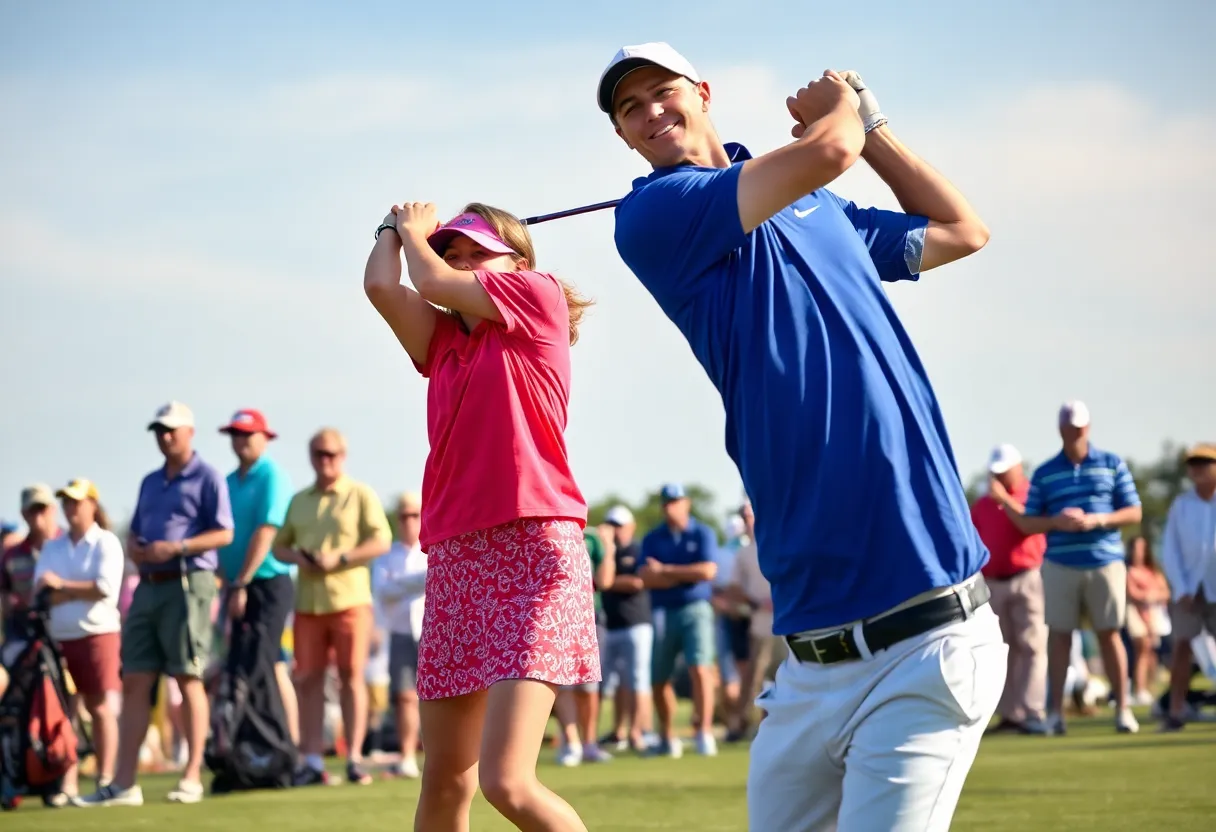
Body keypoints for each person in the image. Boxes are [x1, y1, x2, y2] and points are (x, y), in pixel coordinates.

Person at [598, 42, 1001, 830]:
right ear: (622, 137)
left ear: (702, 93)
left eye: (662, 92)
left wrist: (872, 123)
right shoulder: (655, 213)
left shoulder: (820, 205)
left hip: (928, 640)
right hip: (810, 667)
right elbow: (830, 148)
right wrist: (841, 112)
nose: (650, 113)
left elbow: (963, 229)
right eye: (628, 109)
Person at [364, 200, 598, 832]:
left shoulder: (537, 296)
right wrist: (394, 227)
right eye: (453, 252)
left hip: (535, 550)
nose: (461, 265)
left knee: (507, 782)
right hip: (459, 559)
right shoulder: (443, 341)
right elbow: (382, 283)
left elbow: (430, 281)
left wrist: (418, 237)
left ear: (516, 264)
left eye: (477, 253)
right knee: (445, 785)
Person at [79, 401, 234, 807]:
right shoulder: (150, 481)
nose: (164, 437)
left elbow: (224, 533)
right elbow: (140, 531)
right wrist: (136, 546)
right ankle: (123, 783)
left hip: (187, 581)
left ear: (189, 432)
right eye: (159, 431)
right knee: (134, 679)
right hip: (147, 585)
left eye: (171, 430)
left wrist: (177, 547)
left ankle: (191, 776)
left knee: (187, 676)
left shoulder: (208, 477)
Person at [990, 401, 1143, 735]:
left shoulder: (1112, 463)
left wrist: (1098, 520)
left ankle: (1124, 710)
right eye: (1070, 428)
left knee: (1110, 634)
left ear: (1088, 427)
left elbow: (1133, 512)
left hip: (1104, 560)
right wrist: (1056, 522)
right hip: (1060, 563)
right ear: (1061, 429)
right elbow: (1030, 523)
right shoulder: (1046, 472)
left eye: (1080, 427)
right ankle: (1056, 714)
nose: (1076, 433)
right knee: (1058, 638)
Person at [271, 427, 392, 786]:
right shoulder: (300, 500)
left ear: (343, 456)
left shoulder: (359, 494)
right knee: (308, 680)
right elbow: (279, 547)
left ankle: (353, 757)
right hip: (308, 603)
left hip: (350, 601)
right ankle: (310, 758)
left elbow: (382, 539)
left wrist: (340, 557)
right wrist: (301, 558)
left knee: (351, 678)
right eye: (319, 454)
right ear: (311, 457)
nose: (326, 461)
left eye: (332, 454)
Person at [32, 479, 125, 805]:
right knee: (65, 711)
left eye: (77, 502)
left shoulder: (106, 542)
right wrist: (72, 589)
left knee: (99, 706)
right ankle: (67, 782)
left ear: (92, 505)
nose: (71, 508)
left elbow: (104, 589)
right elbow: (42, 591)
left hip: (98, 634)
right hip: (60, 638)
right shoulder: (53, 546)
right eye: (67, 503)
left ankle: (106, 777)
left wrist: (61, 587)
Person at [216, 408, 299, 746]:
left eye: (248, 434)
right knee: (268, 665)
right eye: (236, 434)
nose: (241, 440)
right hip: (238, 587)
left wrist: (241, 582)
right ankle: (265, 745)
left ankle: (281, 745)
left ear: (265, 438)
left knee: (262, 664)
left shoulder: (271, 475)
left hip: (266, 585)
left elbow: (267, 532)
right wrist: (230, 582)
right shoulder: (228, 482)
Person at [970, 444, 1048, 734]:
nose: (999, 477)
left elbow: (1029, 524)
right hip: (993, 583)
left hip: (1026, 577)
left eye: (1004, 472)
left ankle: (1032, 711)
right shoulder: (983, 503)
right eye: (995, 473)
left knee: (1032, 646)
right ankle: (1009, 714)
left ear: (1018, 468)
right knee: (1002, 650)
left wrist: (1005, 500)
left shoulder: (1031, 494)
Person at [639, 483, 718, 758]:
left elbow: (707, 571)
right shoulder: (652, 538)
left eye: (675, 501)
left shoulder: (702, 532)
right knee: (659, 677)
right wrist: (685, 574)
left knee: (701, 669)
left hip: (696, 608)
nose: (670, 507)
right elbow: (647, 577)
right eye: (666, 503)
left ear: (687, 503)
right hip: (662, 611)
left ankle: (704, 732)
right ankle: (667, 736)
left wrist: (666, 571)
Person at [370, 490, 428, 778]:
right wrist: (421, 582)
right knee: (405, 696)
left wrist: (404, 585)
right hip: (401, 633)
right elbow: (383, 592)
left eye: (414, 515)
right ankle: (407, 755)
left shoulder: (433, 547)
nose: (409, 521)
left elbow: (396, 589)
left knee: (441, 699)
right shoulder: (385, 556)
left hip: (434, 632)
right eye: (404, 515)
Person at [1160, 442, 1216, 730]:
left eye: (1205, 462)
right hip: (1190, 591)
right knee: (1182, 648)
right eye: (1193, 463)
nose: (1198, 468)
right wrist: (1181, 589)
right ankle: (1176, 711)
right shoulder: (1182, 505)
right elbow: (1170, 550)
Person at [597, 505, 654, 753]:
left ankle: (637, 732)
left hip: (636, 624)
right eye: (612, 525)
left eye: (619, 526)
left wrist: (608, 583)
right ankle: (619, 732)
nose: (615, 530)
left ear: (630, 527)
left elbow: (637, 582)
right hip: (611, 626)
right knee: (617, 683)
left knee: (638, 680)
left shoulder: (637, 549)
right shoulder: (605, 553)